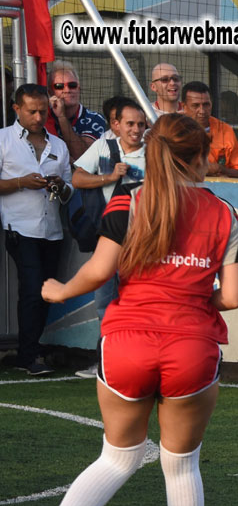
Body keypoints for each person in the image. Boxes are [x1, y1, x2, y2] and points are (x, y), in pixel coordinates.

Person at [20, 113, 238, 506]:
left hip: (126, 343)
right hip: (191, 345)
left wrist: (58, 292)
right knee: (181, 463)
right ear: (197, 157)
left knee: (117, 457)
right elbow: (232, 298)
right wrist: (190, 292)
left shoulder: (129, 199)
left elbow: (99, 271)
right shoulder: (224, 213)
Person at [71, 97, 149, 379]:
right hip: (109, 238)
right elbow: (78, 178)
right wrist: (108, 177)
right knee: (106, 301)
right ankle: (106, 360)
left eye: (141, 124)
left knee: (140, 301)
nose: (136, 129)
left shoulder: (153, 152)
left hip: (143, 240)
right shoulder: (103, 147)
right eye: (130, 123)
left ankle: (140, 361)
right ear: (116, 125)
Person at [0, 84, 74, 375]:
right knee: (32, 290)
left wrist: (60, 185)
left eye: (43, 110)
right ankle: (28, 355)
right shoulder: (4, 140)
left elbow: (69, 191)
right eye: (32, 111)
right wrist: (21, 182)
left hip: (52, 230)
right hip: (18, 227)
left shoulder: (58, 145)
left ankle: (31, 351)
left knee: (46, 292)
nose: (38, 116)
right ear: (16, 108)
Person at [45, 60, 106, 163]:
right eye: (59, 86)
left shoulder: (94, 118)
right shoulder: (43, 117)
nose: (67, 90)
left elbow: (82, 157)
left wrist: (62, 117)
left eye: (72, 85)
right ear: (50, 92)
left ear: (79, 88)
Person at [181, 82, 238, 178]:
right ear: (183, 107)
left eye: (206, 105)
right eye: (195, 106)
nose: (202, 111)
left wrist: (221, 168)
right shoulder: (174, 130)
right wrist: (201, 170)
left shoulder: (225, 130)